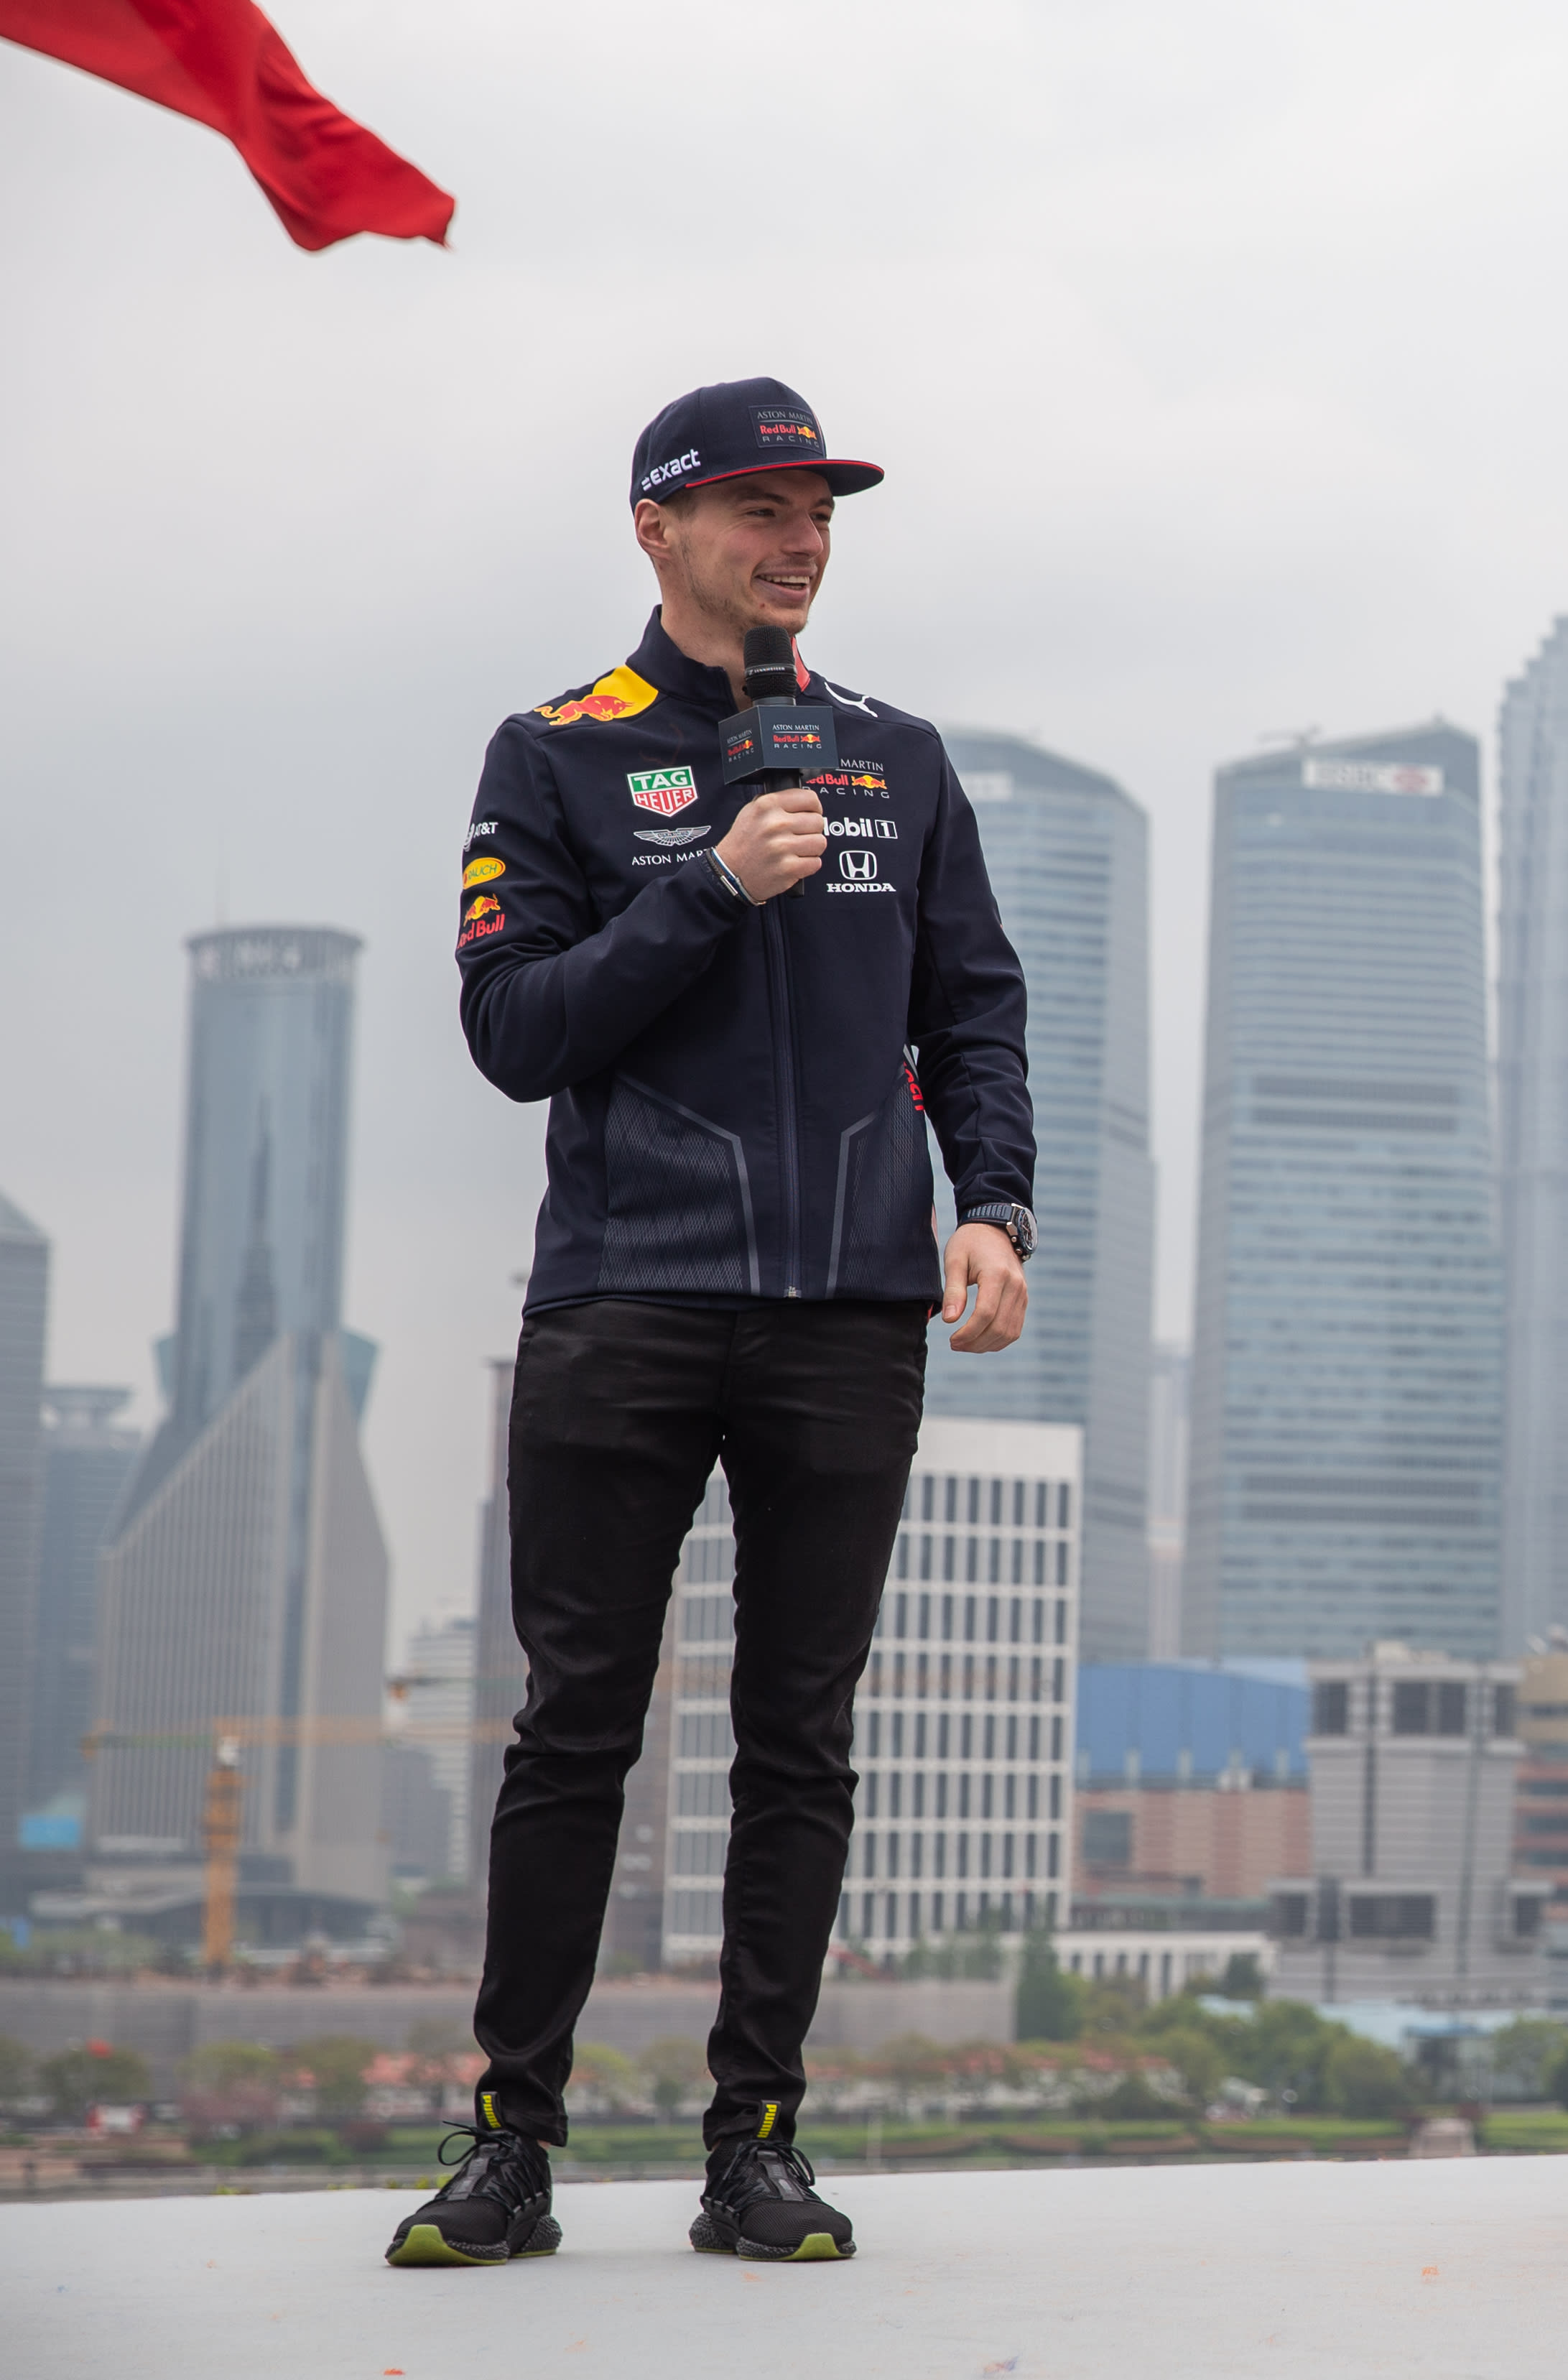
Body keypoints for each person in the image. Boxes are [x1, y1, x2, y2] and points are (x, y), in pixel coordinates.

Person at [389, 379, 1037, 2269]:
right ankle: (509, 2144)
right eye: (759, 506)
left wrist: (993, 1207)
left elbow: (973, 1012)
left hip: (850, 1307)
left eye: (818, 508)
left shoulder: (897, 760)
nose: (799, 538)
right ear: (657, 528)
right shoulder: (555, 754)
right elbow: (513, 1031)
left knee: (799, 1739)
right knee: (574, 1729)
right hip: (627, 1296)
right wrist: (708, 887)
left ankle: (756, 2142)